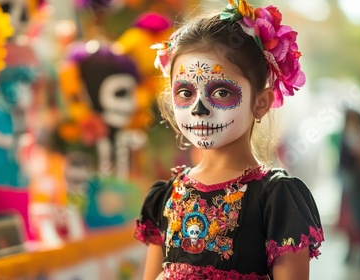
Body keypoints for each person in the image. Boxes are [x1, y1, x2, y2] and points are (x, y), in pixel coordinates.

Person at [133, 1, 324, 279]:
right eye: (185, 92)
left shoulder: (278, 198)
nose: (198, 109)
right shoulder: (166, 195)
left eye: (221, 92)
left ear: (261, 102)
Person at [336, 109, 360, 265]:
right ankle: (351, 252)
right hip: (352, 186)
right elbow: (343, 165)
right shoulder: (345, 140)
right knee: (351, 220)